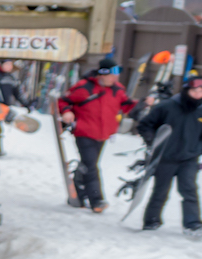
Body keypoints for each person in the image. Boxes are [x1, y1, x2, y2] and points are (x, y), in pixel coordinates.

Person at [57, 57, 136, 212]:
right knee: (91, 165)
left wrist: (143, 105)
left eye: (117, 73)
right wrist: (67, 112)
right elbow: (63, 101)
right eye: (112, 73)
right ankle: (96, 200)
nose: (116, 77)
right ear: (102, 74)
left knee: (87, 164)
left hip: (103, 134)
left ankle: (77, 194)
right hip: (84, 132)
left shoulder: (118, 89)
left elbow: (127, 106)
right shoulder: (84, 87)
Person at [132, 71, 202, 234]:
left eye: (201, 91)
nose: (198, 95)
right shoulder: (167, 106)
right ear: (186, 90)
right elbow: (144, 125)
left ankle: (192, 223)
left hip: (189, 158)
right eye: (194, 91)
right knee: (160, 191)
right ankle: (151, 221)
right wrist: (154, 142)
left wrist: (197, 149)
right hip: (165, 158)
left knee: (189, 190)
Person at [0, 59, 29, 157]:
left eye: (10, 64)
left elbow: (18, 93)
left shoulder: (12, 78)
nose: (9, 66)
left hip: (5, 107)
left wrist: (26, 104)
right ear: (1, 65)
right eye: (7, 64)